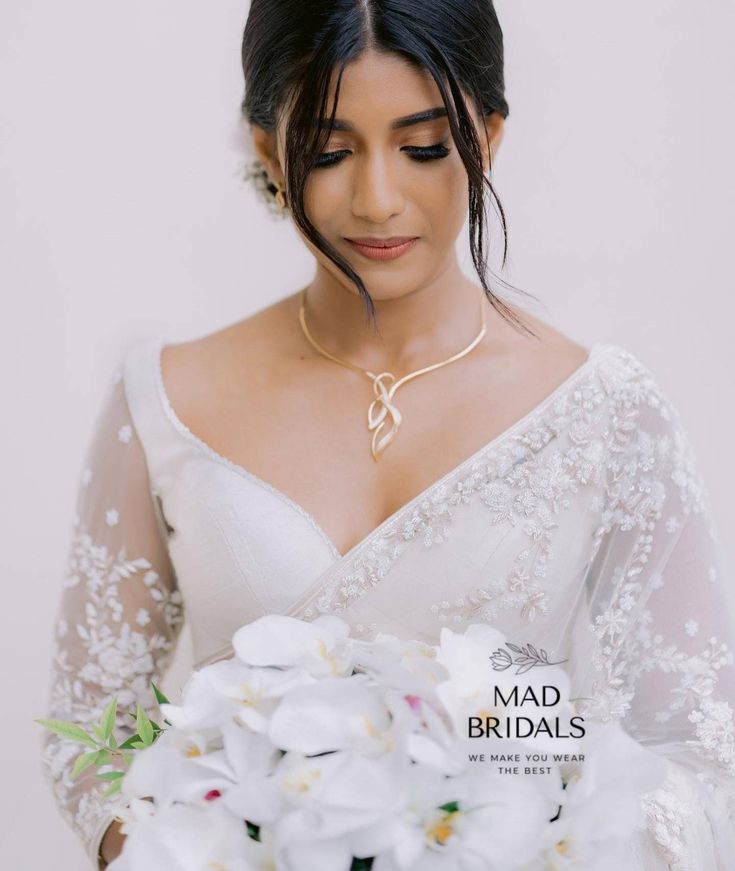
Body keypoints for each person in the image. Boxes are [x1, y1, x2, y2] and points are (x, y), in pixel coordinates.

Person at [41, 1, 735, 868]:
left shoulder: (605, 410)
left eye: (423, 147)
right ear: (267, 147)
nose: (377, 199)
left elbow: (692, 745)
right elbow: (89, 730)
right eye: (330, 152)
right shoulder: (162, 399)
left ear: (486, 135)